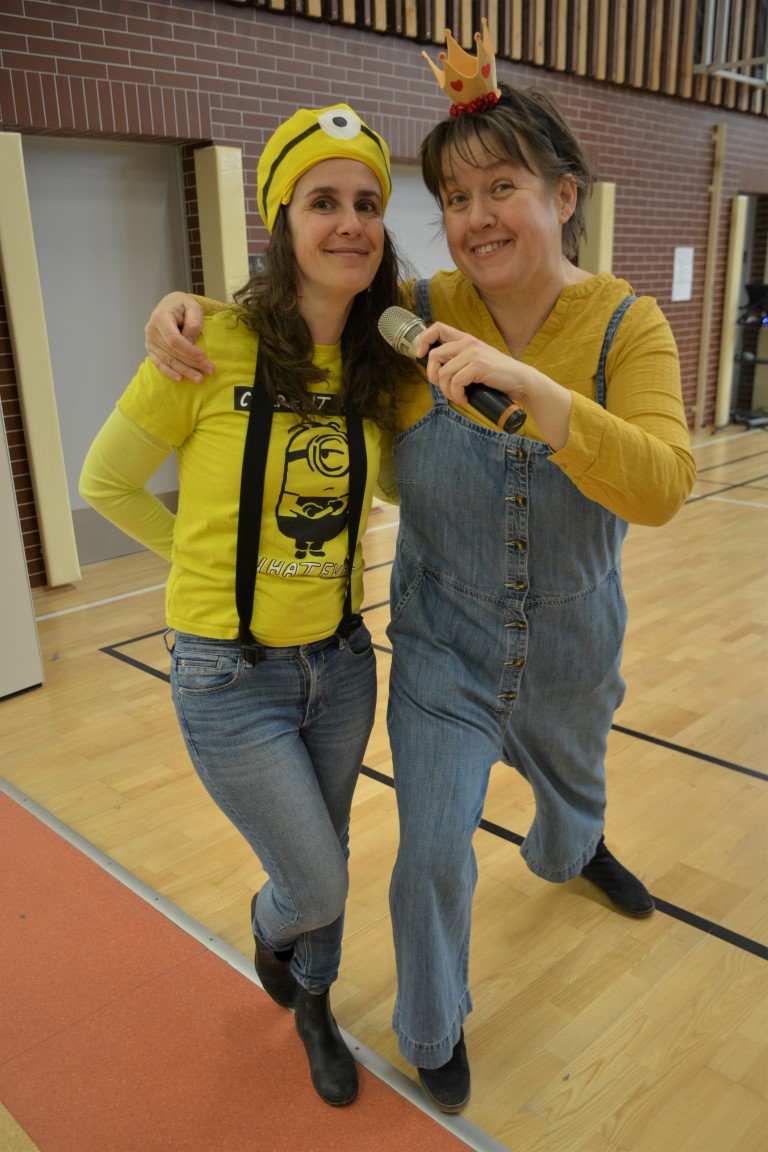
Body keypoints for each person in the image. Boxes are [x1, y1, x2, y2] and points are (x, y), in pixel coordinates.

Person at [140, 22, 696, 1115]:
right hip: (443, 641)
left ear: (565, 196)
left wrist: (540, 397)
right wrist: (182, 310)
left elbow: (665, 486)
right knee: (433, 850)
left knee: (569, 808)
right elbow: (298, 310)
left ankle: (577, 844)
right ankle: (433, 1025)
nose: (475, 216)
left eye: (502, 187)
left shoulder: (628, 328)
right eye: (454, 196)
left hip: (574, 646)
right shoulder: (417, 316)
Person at [79, 103, 405, 1108]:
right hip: (229, 676)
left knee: (331, 852)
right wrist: (204, 563)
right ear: (283, 220)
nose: (350, 222)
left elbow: (394, 484)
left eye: (368, 203)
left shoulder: (377, 362)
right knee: (314, 881)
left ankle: (316, 1004)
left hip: (342, 664)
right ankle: (274, 934)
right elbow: (105, 481)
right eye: (324, 202)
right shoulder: (207, 343)